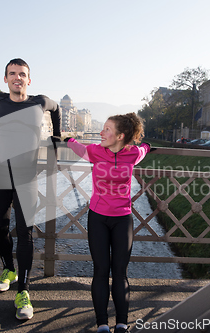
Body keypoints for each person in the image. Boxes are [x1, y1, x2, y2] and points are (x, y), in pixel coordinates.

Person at [0, 58, 61, 320]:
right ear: (5, 78)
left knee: (25, 233)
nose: (17, 78)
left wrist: (58, 135)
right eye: (12, 74)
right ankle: (9, 269)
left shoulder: (40, 102)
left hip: (26, 177)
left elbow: (57, 108)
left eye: (22, 74)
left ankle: (24, 291)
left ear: (29, 80)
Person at [64, 113, 150, 333]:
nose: (101, 133)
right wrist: (68, 141)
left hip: (123, 220)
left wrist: (148, 145)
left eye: (107, 129)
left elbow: (143, 150)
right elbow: (79, 148)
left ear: (120, 136)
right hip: (98, 218)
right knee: (101, 270)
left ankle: (122, 323)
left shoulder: (132, 154)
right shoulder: (95, 151)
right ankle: (102, 324)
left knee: (120, 272)